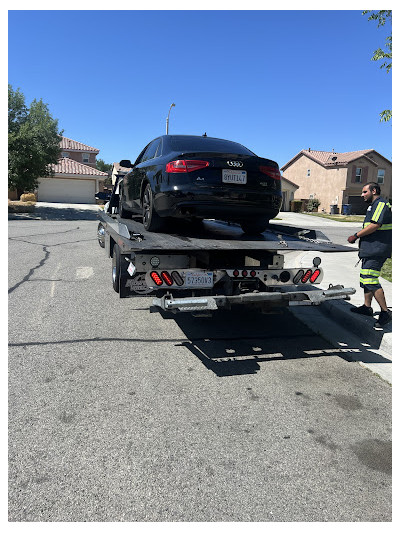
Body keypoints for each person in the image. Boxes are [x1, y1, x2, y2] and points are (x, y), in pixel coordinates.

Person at [347, 182, 392, 327]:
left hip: (377, 249)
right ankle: (367, 307)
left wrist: (356, 235)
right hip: (370, 249)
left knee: (370, 279)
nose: (362, 195)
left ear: (373, 191)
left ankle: (385, 313)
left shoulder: (381, 204)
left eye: (364, 192)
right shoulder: (373, 206)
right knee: (365, 278)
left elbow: (375, 225)